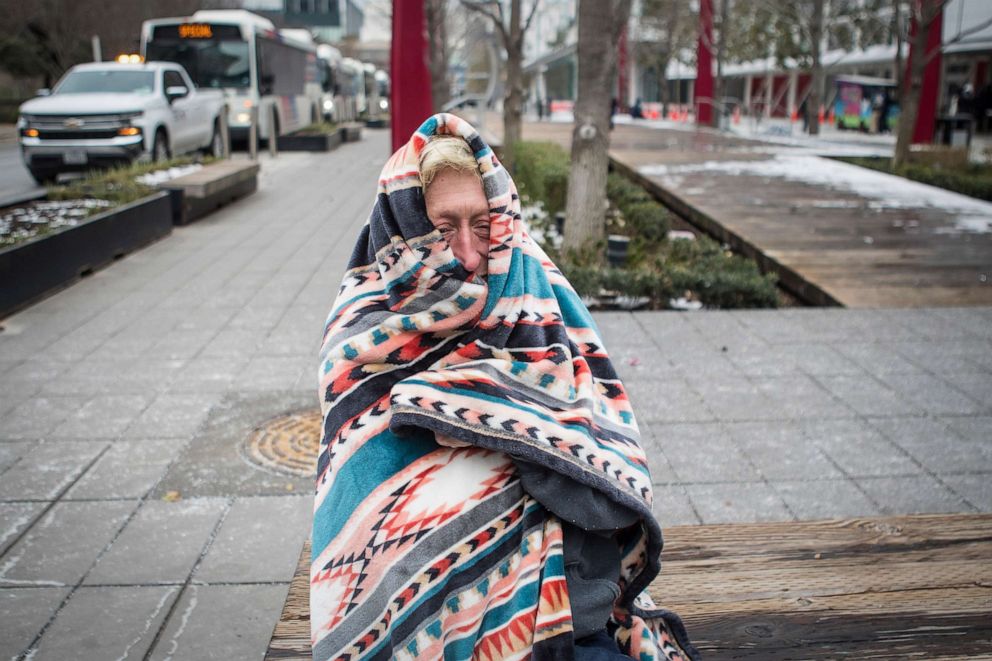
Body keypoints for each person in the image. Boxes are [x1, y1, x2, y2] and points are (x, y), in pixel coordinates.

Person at [312, 113, 698, 661]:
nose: (469, 252)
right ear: (406, 224)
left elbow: (597, 449)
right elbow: (365, 482)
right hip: (419, 593)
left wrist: (499, 417)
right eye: (443, 229)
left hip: (562, 580)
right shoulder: (363, 326)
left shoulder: (529, 281)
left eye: (483, 222)